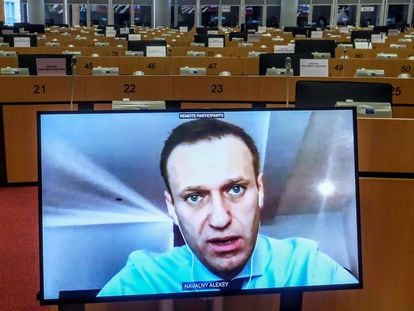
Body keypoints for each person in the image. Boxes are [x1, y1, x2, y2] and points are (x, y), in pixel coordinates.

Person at [98, 118, 357, 296]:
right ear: (172, 208)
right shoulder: (144, 280)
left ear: (260, 191)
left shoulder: (306, 267)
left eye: (235, 189)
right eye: (195, 197)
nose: (220, 220)